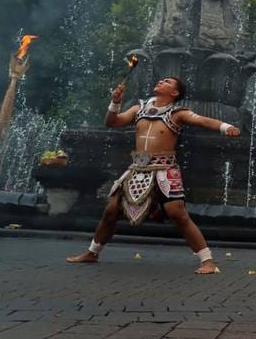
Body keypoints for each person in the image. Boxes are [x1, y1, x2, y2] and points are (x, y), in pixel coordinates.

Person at [66, 77, 240, 274]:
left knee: (178, 214)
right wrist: (115, 102)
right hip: (137, 169)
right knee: (111, 211)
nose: (161, 81)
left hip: (165, 170)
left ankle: (208, 262)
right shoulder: (138, 108)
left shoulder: (177, 113)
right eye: (161, 80)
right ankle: (92, 253)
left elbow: (202, 120)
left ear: (174, 93)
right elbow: (112, 122)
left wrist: (225, 127)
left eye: (167, 82)